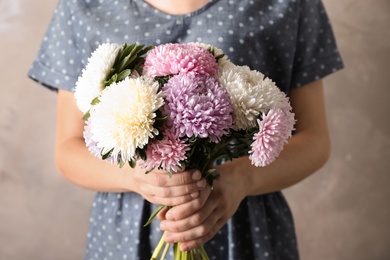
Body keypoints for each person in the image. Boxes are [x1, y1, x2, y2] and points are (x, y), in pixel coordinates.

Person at [28, 0, 343, 259]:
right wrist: (132, 176)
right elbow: (68, 148)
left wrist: (241, 179)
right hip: (125, 236)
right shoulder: (81, 6)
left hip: (246, 226)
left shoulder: (290, 4)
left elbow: (315, 141)